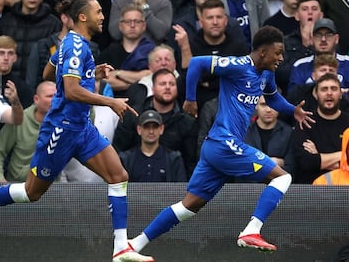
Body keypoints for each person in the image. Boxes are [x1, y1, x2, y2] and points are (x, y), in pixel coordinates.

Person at [0, 0, 152, 262]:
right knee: (32, 192)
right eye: (98, 12)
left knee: (118, 176)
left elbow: (48, 74)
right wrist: (109, 100)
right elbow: (69, 90)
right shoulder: (76, 46)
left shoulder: (71, 44)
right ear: (82, 17)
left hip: (81, 127)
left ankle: (120, 248)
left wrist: (91, 74)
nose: (103, 16)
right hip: (61, 130)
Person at [125, 26, 311, 255]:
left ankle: (134, 245)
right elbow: (196, 64)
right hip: (224, 143)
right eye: (278, 52)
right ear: (263, 52)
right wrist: (191, 99)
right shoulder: (237, 65)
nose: (281, 58)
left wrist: (293, 111)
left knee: (189, 206)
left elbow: (273, 99)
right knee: (282, 178)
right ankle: (251, 231)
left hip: (217, 148)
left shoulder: (266, 74)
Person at [292, 73, 349, 184]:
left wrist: (319, 157)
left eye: (333, 89)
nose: (329, 93)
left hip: (344, 188)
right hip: (311, 189)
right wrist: (344, 154)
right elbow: (307, 162)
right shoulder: (305, 122)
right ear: (316, 94)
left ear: (340, 94)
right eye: (324, 89)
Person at [118, 110, 187, 183]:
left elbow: (181, 189)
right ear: (139, 129)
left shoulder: (174, 159)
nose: (151, 131)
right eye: (146, 127)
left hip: (165, 195)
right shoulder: (126, 159)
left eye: (155, 127)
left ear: (161, 129)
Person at [242, 96, 295, 180]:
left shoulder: (289, 133)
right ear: (256, 105)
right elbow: (240, 167)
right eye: (264, 105)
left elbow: (292, 169)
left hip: (280, 187)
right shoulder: (243, 132)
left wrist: (257, 165)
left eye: (273, 105)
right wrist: (271, 164)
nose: (269, 110)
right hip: (248, 188)